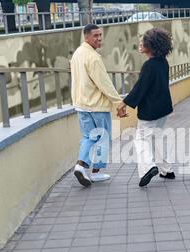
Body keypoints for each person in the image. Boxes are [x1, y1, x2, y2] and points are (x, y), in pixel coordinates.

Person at [117, 28, 175, 187]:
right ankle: (166, 170)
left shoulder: (149, 66)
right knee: (157, 137)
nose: (140, 43)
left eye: (144, 41)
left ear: (151, 45)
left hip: (150, 111)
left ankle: (148, 168)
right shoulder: (163, 62)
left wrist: (124, 103)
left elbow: (140, 88)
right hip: (163, 108)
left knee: (141, 139)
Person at [71, 24, 123, 187]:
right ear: (86, 37)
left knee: (88, 137)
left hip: (81, 104)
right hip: (97, 106)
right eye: (95, 36)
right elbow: (104, 83)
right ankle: (95, 173)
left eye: (100, 35)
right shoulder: (93, 57)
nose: (99, 38)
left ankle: (80, 166)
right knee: (103, 138)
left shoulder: (78, 53)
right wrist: (118, 102)